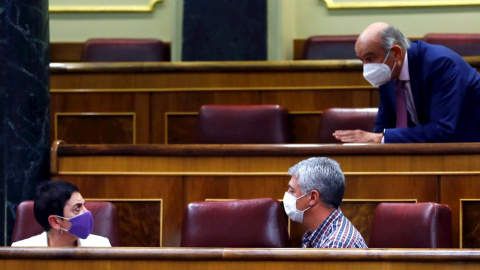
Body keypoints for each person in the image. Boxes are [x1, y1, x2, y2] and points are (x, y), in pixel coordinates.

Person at [333, 22, 480, 143]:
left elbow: (442, 130)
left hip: (469, 150)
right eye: (362, 60)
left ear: (396, 53)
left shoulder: (440, 64)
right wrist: (369, 141)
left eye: (370, 58)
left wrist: (379, 138)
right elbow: (383, 127)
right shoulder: (388, 73)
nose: (366, 67)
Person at [283, 157, 367, 248]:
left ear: (312, 197)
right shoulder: (318, 233)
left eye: (292, 191)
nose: (287, 195)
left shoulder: (336, 245)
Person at [11, 181, 111, 247]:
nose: (86, 212)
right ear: (55, 222)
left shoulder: (101, 245)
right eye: (77, 208)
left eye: (84, 205)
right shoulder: (21, 252)